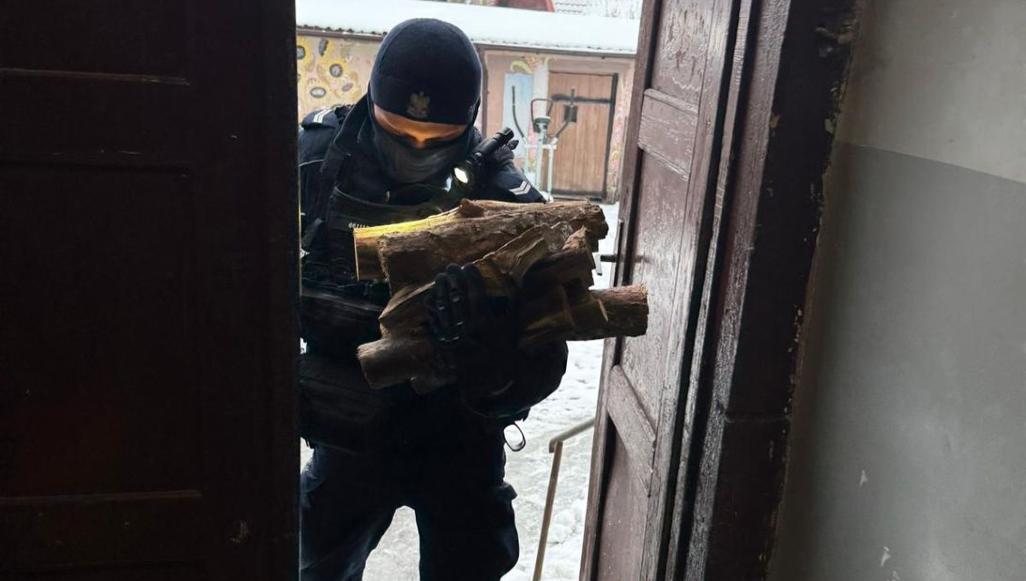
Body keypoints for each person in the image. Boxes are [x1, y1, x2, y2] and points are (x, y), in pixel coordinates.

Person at [297, 18, 569, 581]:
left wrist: (489, 350)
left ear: (469, 121)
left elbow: (545, 362)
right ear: (371, 104)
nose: (416, 148)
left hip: (457, 440)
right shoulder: (312, 164)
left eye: (438, 139)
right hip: (346, 425)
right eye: (397, 131)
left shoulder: (507, 203)